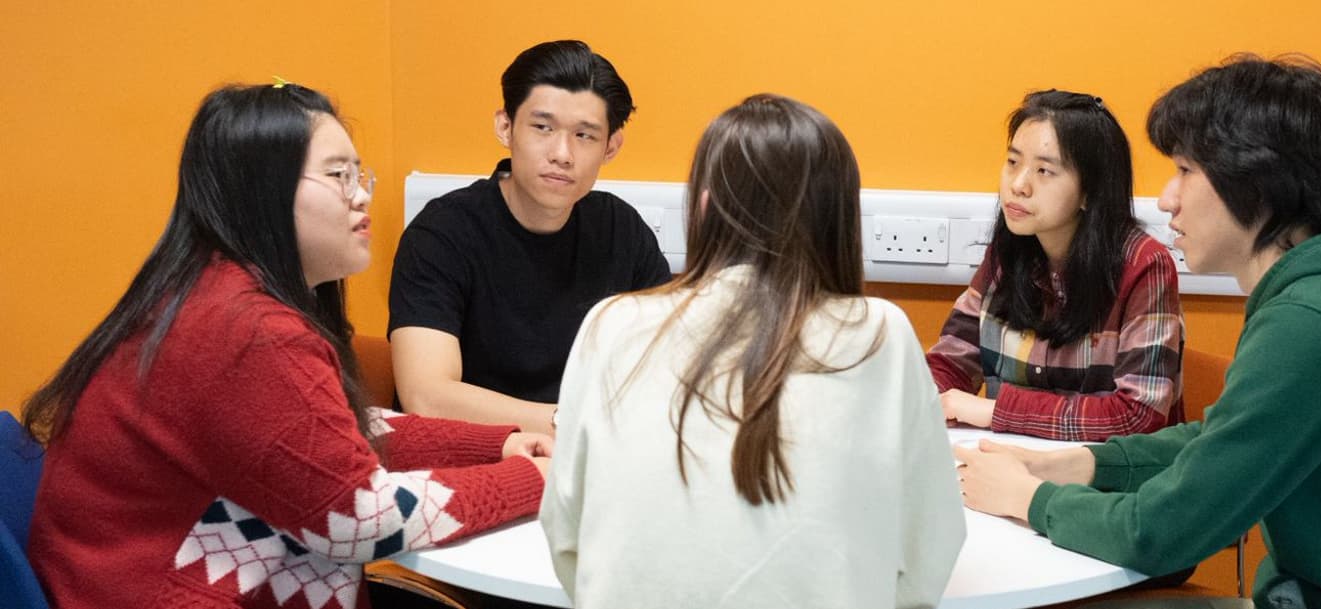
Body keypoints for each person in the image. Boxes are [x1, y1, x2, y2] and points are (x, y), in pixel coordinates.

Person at [954, 55, 1321, 609]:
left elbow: (1162, 533)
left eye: (1183, 171)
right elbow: (1222, 440)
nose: (1165, 199)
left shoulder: (1316, 324)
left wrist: (1031, 499)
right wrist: (1083, 464)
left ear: (1257, 184)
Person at [22, 83, 551, 609]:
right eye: (337, 175)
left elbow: (336, 433)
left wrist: (496, 445)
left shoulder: (213, 291)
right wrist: (529, 480)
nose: (362, 194)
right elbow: (360, 520)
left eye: (358, 173)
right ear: (262, 192)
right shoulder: (248, 331)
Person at [541, 94, 965, 609]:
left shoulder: (610, 324)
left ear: (702, 206)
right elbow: (930, 546)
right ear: (838, 218)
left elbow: (566, 534)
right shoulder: (880, 333)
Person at [389, 40, 670, 435]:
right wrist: (570, 423)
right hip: (472, 459)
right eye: (543, 127)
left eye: (585, 135)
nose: (562, 153)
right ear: (505, 126)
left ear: (611, 147)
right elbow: (427, 396)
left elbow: (667, 367)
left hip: (584, 463)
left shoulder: (621, 230)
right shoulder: (441, 233)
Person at [928, 90, 1184, 441]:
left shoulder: (1143, 265)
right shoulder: (1008, 253)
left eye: (1045, 170)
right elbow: (950, 363)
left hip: (1106, 485)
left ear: (1090, 191)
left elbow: (1138, 415)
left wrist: (998, 411)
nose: (1018, 185)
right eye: (1013, 162)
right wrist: (927, 397)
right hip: (1007, 469)